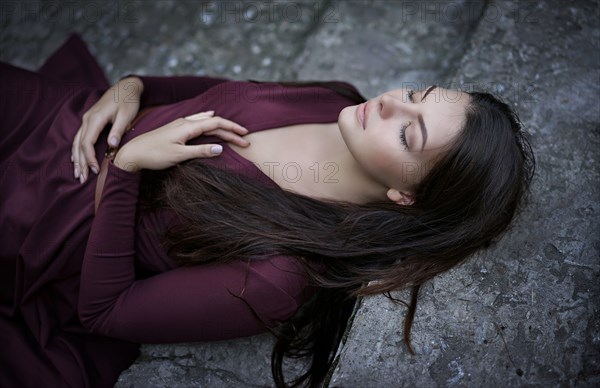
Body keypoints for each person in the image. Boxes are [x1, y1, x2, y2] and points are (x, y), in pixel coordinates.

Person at [0, 33, 535, 388]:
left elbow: (104, 311)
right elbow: (202, 97)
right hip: (67, 121)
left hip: (41, 228)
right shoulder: (337, 98)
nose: (390, 102)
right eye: (417, 93)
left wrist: (125, 170)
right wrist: (130, 87)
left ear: (405, 196)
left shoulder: (277, 275)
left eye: (407, 131)